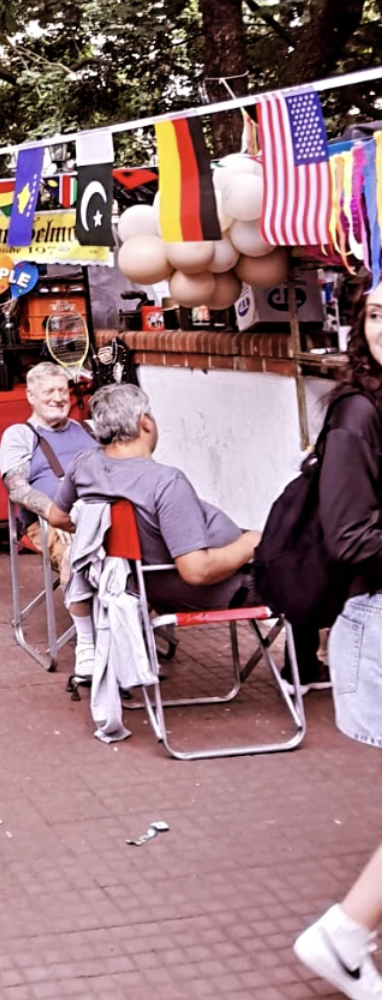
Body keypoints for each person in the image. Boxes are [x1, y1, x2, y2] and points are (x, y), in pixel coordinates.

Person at [294, 279, 382, 999]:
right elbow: (352, 537)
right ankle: (345, 935)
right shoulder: (356, 414)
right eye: (375, 315)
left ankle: (348, 934)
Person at [47, 384, 262, 613]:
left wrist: (103, 532)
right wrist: (250, 543)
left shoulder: (84, 465)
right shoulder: (166, 482)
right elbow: (196, 570)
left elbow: (57, 517)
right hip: (218, 589)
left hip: (141, 584)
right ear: (144, 422)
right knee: (301, 577)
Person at [0, 361, 99, 677]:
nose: (58, 398)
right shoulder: (20, 435)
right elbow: (16, 488)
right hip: (50, 521)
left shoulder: (89, 429)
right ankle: (87, 645)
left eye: (63, 390)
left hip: (101, 514)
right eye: (49, 392)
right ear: (30, 395)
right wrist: (58, 516)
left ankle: (135, 631)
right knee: (77, 553)